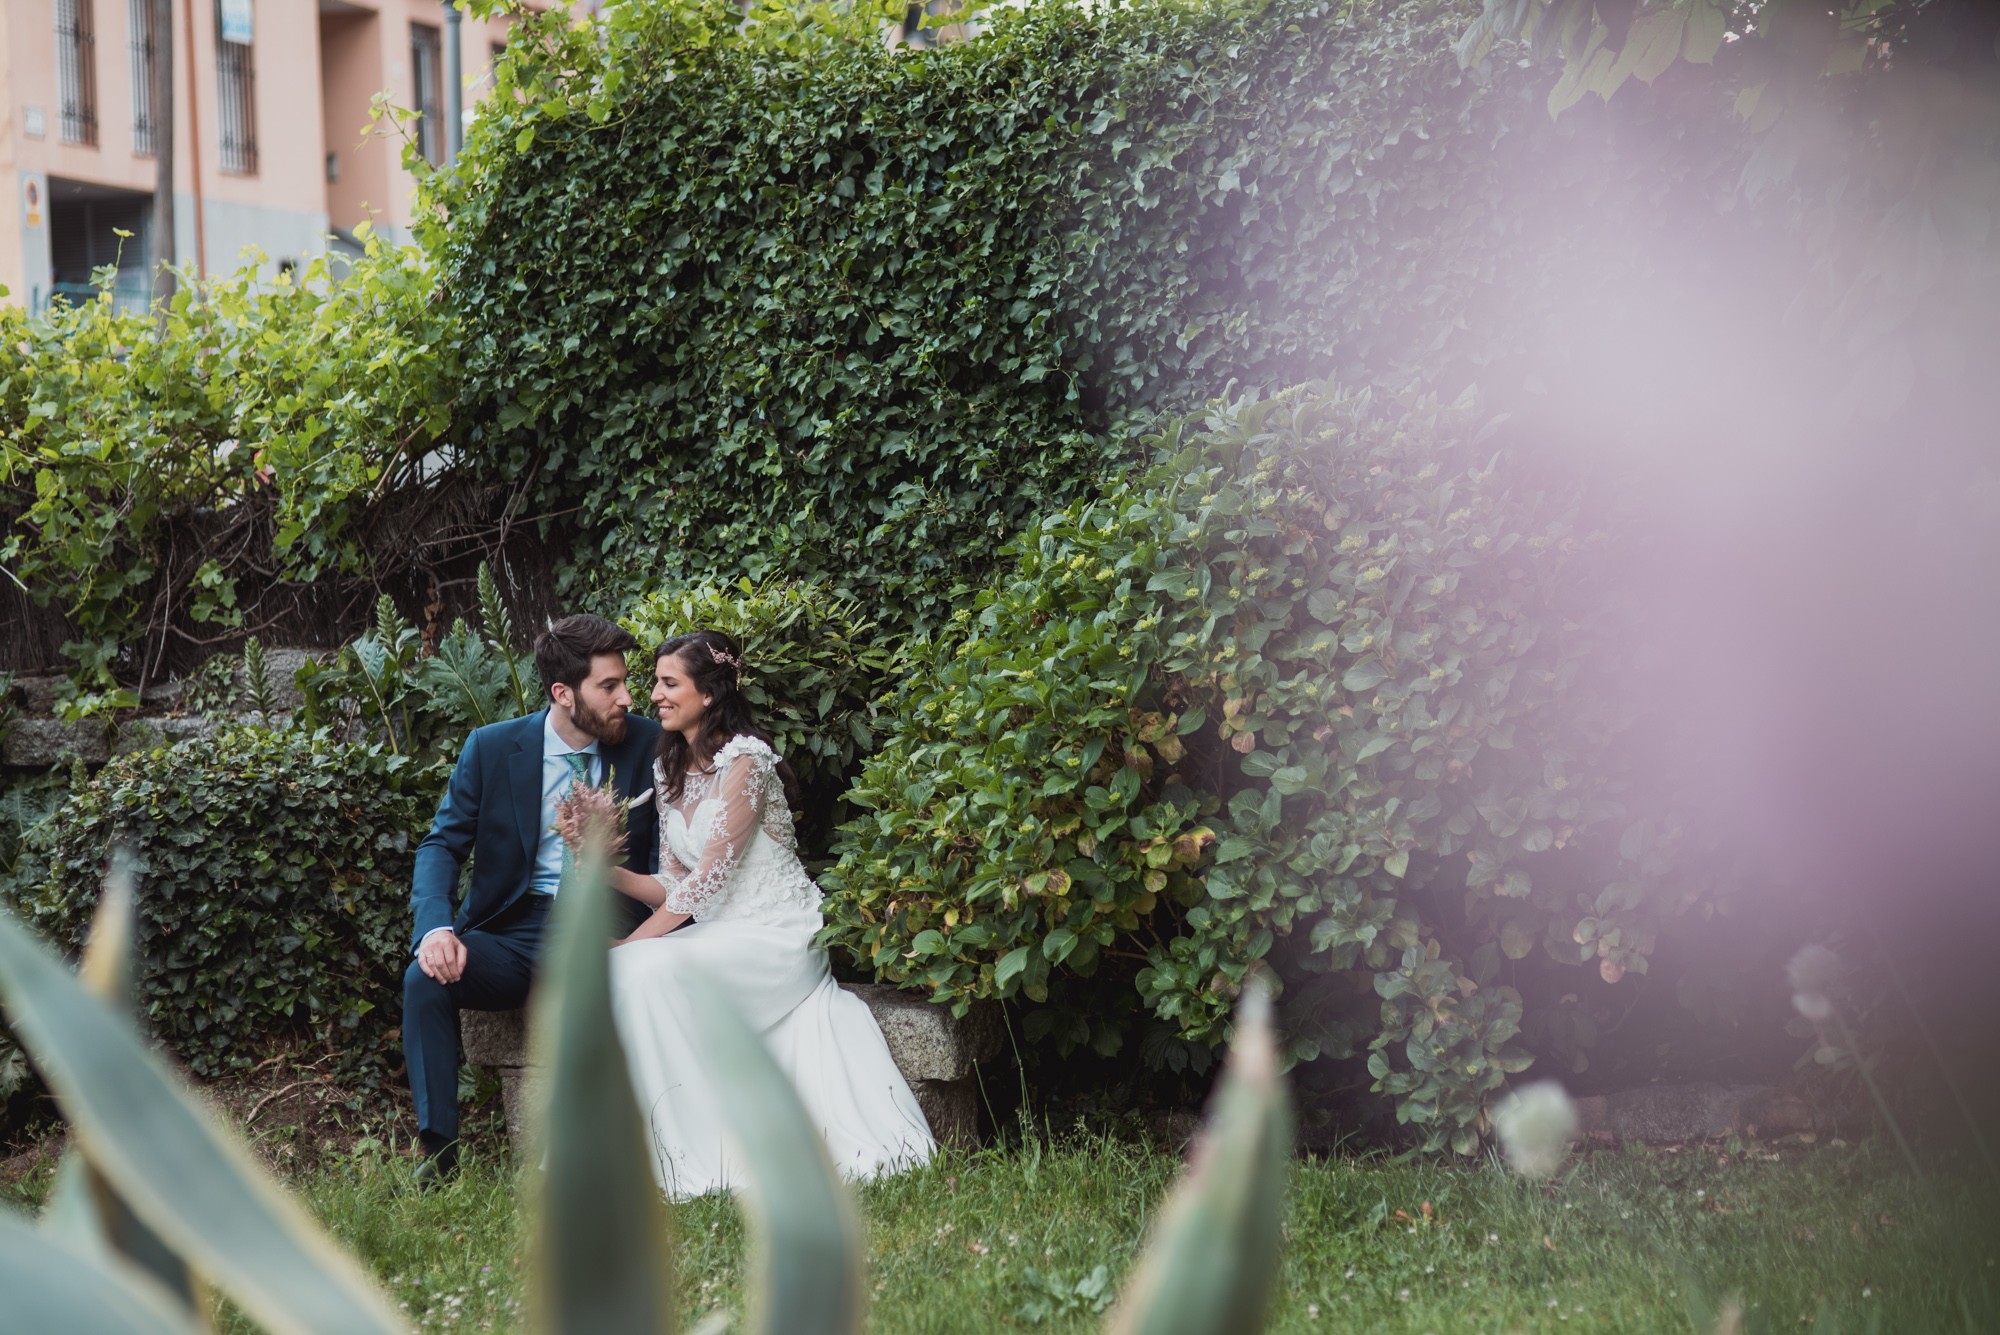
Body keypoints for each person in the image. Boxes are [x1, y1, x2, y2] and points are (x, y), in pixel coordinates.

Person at [575, 628, 935, 1198]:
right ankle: (652, 1149)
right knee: (629, 971)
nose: (655, 696)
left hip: (777, 932)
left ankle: (693, 1154)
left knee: (637, 967)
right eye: (656, 683)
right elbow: (672, 883)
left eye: (669, 684)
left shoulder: (747, 760)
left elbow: (711, 876)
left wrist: (635, 943)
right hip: (719, 933)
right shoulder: (668, 768)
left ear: (709, 694)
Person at [401, 614, 663, 1188]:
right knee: (425, 978)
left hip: (608, 927)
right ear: (563, 694)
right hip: (515, 930)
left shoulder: (648, 743)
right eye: (609, 686)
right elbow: (441, 843)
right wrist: (436, 929)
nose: (627, 698)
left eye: (626, 682)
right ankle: (440, 1154)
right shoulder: (493, 749)